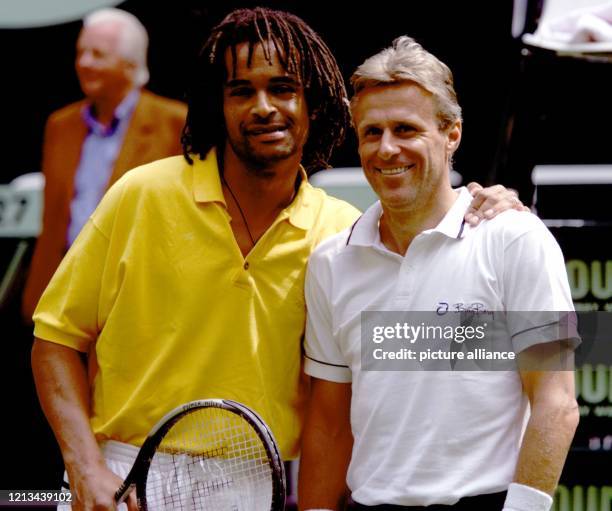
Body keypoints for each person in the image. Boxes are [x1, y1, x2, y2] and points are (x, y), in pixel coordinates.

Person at [30, 9, 524, 510]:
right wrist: (85, 466)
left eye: (283, 88)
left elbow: (379, 382)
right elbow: (53, 340)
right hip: (121, 477)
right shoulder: (142, 194)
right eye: (241, 91)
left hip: (254, 483)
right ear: (216, 105)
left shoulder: (342, 235)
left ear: (314, 104)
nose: (264, 107)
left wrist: (486, 203)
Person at [299, 37, 579, 510]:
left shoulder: (515, 240)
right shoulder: (331, 263)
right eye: (372, 132)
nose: (387, 149)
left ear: (452, 134)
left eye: (406, 129)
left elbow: (557, 402)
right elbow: (329, 423)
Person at [22, 8, 187, 321]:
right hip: (61, 300)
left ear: (131, 64)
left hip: (139, 300)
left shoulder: (175, 123)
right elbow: (53, 221)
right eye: (81, 52)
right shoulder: (60, 125)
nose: (84, 63)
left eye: (98, 54)